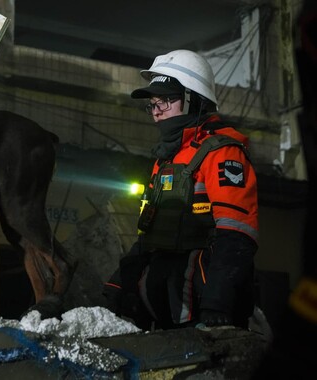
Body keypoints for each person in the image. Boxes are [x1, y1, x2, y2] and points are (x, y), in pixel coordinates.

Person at [103, 49, 259, 330]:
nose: (158, 110)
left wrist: (217, 302)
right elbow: (147, 237)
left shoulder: (223, 153)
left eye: (167, 100)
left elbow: (236, 237)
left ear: (194, 100)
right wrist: (120, 283)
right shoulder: (165, 159)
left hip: (203, 307)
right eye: (153, 103)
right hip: (163, 306)